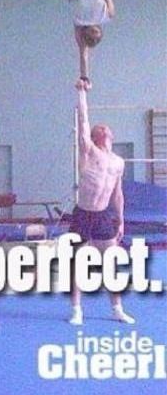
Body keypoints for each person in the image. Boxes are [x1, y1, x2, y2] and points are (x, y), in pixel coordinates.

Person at [69, 78, 134, 325]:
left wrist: (121, 220)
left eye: (107, 128)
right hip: (83, 213)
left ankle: (117, 308)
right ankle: (77, 310)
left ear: (111, 135)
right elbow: (83, 121)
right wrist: (81, 93)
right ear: (95, 136)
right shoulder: (89, 152)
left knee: (110, 262)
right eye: (100, 128)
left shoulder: (118, 162)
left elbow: (118, 194)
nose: (104, 129)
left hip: (104, 215)